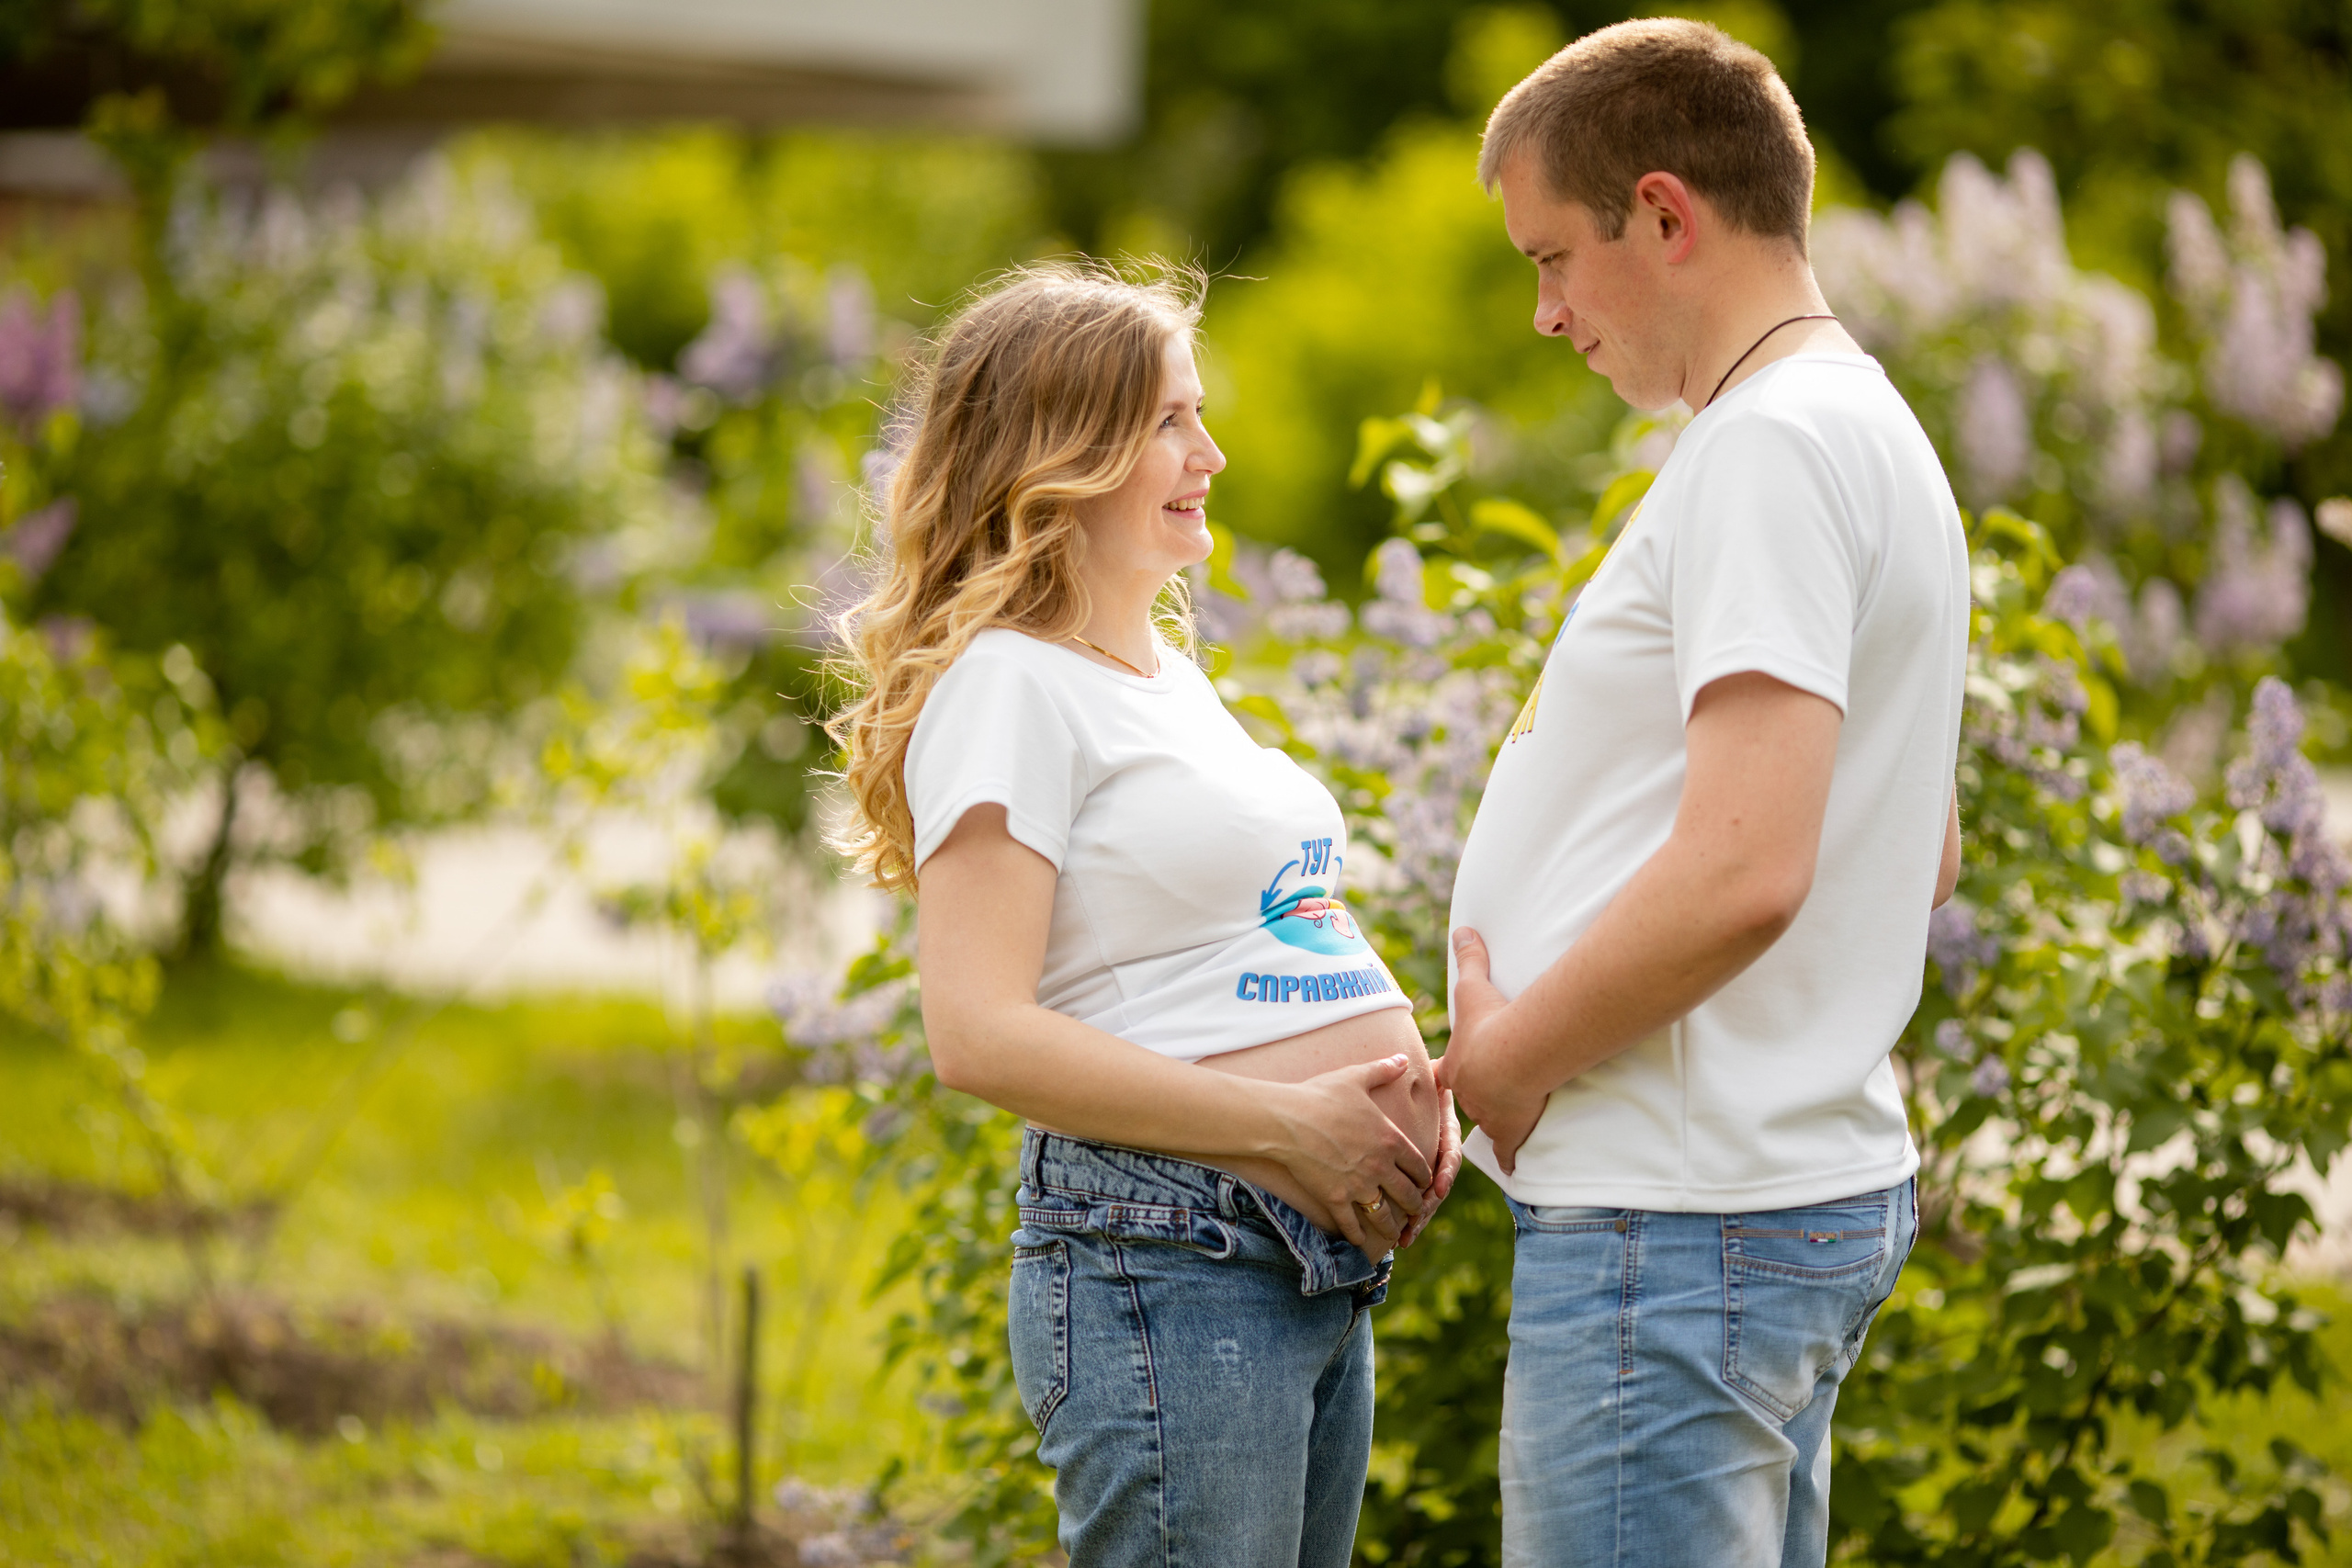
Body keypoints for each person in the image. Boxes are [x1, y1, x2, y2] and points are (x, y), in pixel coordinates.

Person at [827, 262, 1464, 1567]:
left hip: (1287, 1264)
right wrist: (1300, 1124)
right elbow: (979, 1035)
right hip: (1169, 1260)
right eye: (1170, 421)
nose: (1210, 453)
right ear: (1059, 452)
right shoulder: (1009, 687)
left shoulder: (1159, 675)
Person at [1433, 19, 1969, 1567]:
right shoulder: (1872, 431)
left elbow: (1748, 869)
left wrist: (1503, 1062)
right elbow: (1915, 851)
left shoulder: (1772, 450)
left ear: (1665, 215)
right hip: (1754, 1203)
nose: (1545, 315)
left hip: (1680, 1228)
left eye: (1553, 259)